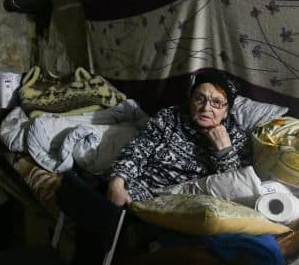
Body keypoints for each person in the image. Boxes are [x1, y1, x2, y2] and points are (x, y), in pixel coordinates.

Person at [106, 70, 251, 206]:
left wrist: (224, 151)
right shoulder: (169, 117)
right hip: (136, 190)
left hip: (182, 206)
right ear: (191, 101)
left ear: (226, 111)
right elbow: (138, 150)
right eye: (200, 99)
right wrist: (117, 183)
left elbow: (235, 190)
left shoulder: (237, 139)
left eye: (217, 103)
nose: (206, 108)